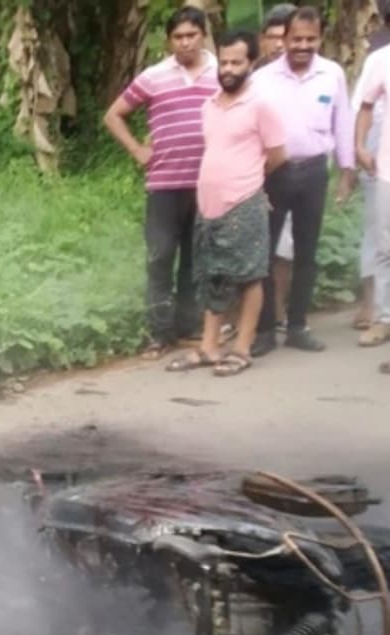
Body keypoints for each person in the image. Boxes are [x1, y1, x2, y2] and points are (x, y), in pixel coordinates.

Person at [167, 30, 287, 377]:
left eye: (238, 62)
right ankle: (208, 347)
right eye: (225, 61)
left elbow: (278, 154)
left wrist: (250, 181)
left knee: (249, 277)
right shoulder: (210, 105)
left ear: (251, 63)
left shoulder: (261, 104)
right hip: (209, 205)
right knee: (211, 274)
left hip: (244, 202)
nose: (229, 69)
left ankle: (242, 348)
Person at [104, 5, 219, 361]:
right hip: (164, 184)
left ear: (203, 36)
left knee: (194, 260)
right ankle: (159, 334)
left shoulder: (220, 71)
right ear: (169, 41)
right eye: (178, 37)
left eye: (192, 35)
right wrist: (138, 149)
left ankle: (187, 328)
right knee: (159, 258)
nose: (185, 43)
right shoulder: (154, 76)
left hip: (206, 184)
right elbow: (113, 115)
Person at [251, 6, 357, 356]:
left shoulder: (332, 74)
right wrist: (253, 177)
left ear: (320, 39)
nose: (302, 45)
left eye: (310, 39)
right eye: (296, 39)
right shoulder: (263, 79)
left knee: (307, 252)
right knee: (264, 253)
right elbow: (251, 130)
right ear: (284, 39)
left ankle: (298, 325)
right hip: (274, 174)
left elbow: (343, 122)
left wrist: (346, 170)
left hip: (314, 172)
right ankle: (265, 330)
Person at [352, 2, 390, 347]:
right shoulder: (380, 60)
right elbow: (364, 106)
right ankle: (382, 318)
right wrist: (361, 146)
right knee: (383, 245)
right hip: (387, 171)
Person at [259, 4, 297, 332]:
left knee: (285, 247)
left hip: (293, 173)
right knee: (252, 247)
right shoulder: (253, 77)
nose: (278, 45)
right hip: (255, 174)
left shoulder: (312, 75)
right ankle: (251, 316)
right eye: (272, 38)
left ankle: (280, 312)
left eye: (284, 37)